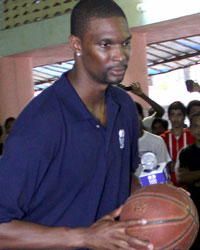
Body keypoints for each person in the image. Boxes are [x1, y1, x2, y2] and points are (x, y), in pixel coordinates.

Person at [0, 1, 154, 250]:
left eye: (125, 43)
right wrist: (84, 237)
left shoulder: (123, 106)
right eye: (106, 44)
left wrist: (159, 200)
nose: (120, 55)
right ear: (76, 45)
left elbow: (124, 178)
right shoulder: (41, 122)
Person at [175, 111, 200, 249]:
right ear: (189, 129)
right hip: (194, 206)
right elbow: (181, 178)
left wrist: (194, 176)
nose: (199, 129)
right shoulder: (186, 152)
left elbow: (189, 176)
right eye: (196, 126)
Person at [161, 101, 195, 186]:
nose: (176, 118)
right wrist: (166, 165)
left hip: (190, 185)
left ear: (184, 117)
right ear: (168, 117)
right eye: (172, 114)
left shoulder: (193, 136)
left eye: (179, 115)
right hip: (169, 185)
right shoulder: (162, 138)